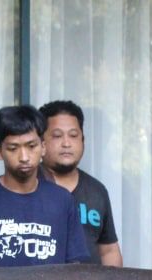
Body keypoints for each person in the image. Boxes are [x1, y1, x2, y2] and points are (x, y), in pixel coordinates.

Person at [0, 105, 90, 267]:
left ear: (43, 147)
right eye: (13, 148)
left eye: (31, 146)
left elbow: (75, 270)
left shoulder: (62, 200)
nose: (24, 157)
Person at [38, 100, 122, 267]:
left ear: (83, 140)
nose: (66, 143)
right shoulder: (29, 185)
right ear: (41, 142)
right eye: (57, 135)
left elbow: (108, 250)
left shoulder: (96, 190)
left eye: (74, 135)